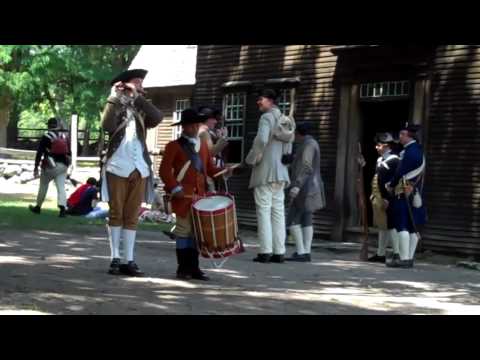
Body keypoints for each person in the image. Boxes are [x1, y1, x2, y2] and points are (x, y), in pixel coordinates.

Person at [100, 68, 163, 277]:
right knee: (116, 212)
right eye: (136, 83)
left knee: (132, 215)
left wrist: (137, 97)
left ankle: (129, 259)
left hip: (139, 168)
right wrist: (114, 97)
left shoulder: (141, 107)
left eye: (140, 84)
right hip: (117, 166)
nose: (140, 86)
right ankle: (115, 258)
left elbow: (158, 117)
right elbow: (107, 126)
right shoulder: (115, 104)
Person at [159, 108, 232, 281]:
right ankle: (183, 268)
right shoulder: (173, 146)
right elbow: (164, 171)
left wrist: (224, 171)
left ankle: (194, 268)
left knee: (197, 233)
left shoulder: (203, 148)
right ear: (184, 127)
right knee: (184, 231)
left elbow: (210, 170)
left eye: (196, 125)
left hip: (200, 197)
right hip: (183, 197)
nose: (193, 128)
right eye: (190, 125)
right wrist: (175, 188)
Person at [245, 89, 292, 264]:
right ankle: (279, 252)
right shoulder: (284, 119)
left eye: (261, 99)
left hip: (265, 171)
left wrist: (251, 159)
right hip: (281, 171)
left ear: (270, 101)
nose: (258, 102)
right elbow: (289, 146)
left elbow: (262, 140)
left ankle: (265, 251)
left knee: (264, 211)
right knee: (278, 212)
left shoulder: (266, 118)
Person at [386, 124, 427, 269]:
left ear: (409, 135)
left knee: (402, 225)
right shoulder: (418, 150)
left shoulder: (409, 152)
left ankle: (403, 259)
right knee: (413, 226)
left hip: (403, 191)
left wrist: (391, 184)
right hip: (416, 192)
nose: (400, 137)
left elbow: (400, 172)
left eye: (403, 134)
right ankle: (409, 258)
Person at [285, 122, 326, 262]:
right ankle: (306, 252)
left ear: (299, 133)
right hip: (310, 187)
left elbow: (306, 167)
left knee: (293, 219)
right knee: (307, 219)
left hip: (304, 187)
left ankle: (301, 251)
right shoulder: (311, 143)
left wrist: (297, 185)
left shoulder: (308, 144)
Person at [367, 133, 400, 263]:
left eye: (379, 145)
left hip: (389, 197)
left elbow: (394, 181)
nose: (376, 147)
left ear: (386, 146)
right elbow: (378, 179)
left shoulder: (395, 160)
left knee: (391, 225)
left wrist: (387, 198)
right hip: (378, 196)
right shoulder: (380, 160)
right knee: (382, 225)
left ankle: (397, 253)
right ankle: (381, 253)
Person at [29, 117, 71, 218]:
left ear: (48, 126)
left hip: (50, 164)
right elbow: (69, 152)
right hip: (63, 165)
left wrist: (36, 167)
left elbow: (40, 152)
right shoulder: (64, 136)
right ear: (57, 125)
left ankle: (38, 207)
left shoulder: (46, 136)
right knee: (61, 187)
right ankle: (62, 209)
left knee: (43, 185)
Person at [197, 106, 229, 192]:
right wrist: (223, 138)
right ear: (207, 119)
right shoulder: (203, 132)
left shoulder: (202, 131)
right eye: (213, 119)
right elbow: (211, 152)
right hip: (203, 174)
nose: (215, 121)